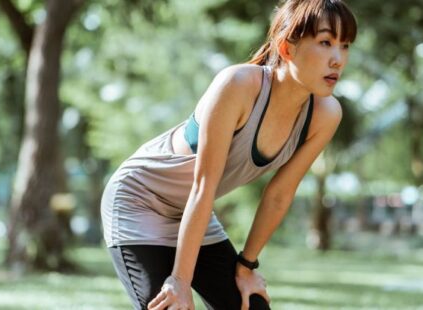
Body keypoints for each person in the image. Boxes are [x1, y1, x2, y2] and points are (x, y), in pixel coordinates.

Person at [101, 0, 357, 309]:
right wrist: (179, 281)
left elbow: (279, 194)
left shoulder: (325, 114)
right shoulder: (239, 85)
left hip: (193, 213)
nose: (338, 59)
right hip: (139, 201)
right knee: (171, 305)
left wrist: (246, 267)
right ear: (287, 48)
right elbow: (203, 185)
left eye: (345, 46)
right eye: (326, 43)